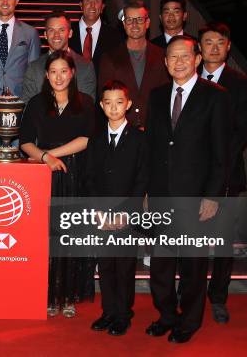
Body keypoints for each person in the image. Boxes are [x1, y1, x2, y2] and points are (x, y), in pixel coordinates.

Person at [145, 35, 228, 344]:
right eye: (172, 57)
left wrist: (212, 196)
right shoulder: (156, 96)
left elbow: (222, 154)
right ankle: (166, 315)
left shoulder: (216, 97)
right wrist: (146, 193)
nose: (178, 62)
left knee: (193, 266)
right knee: (161, 266)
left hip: (196, 198)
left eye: (185, 56)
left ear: (196, 60)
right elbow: (152, 147)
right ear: (165, 63)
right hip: (161, 195)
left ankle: (189, 321)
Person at [19, 50, 97, 318]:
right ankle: (47, 294)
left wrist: (54, 155)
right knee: (45, 238)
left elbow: (87, 139)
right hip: (42, 177)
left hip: (78, 174)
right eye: (53, 72)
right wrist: (44, 158)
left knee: (71, 237)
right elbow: (25, 141)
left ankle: (68, 295)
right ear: (46, 75)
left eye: (64, 71)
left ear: (73, 73)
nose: (59, 76)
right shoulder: (36, 103)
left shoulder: (85, 103)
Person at [198, 21, 247, 324]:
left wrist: (213, 167)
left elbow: (241, 134)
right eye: (208, 42)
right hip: (191, 176)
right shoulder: (189, 80)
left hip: (227, 174)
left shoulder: (241, 84)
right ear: (200, 47)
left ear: (228, 46)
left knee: (221, 241)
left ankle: (218, 296)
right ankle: (189, 293)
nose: (214, 47)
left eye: (220, 42)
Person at [85, 80, 149, 336]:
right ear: (102, 106)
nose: (114, 108)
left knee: (123, 267)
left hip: (126, 215)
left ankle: (123, 313)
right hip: (102, 214)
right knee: (106, 265)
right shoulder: (96, 140)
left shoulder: (140, 139)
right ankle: (108, 311)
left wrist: (126, 212)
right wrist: (99, 212)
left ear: (129, 104)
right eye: (108, 103)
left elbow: (142, 179)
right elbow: (89, 178)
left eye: (119, 102)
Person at [98, 1, 169, 129]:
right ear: (124, 24)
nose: (134, 24)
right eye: (130, 20)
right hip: (121, 131)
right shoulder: (109, 57)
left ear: (147, 23)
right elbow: (105, 97)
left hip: (154, 129)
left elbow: (166, 97)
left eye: (139, 20)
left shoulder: (162, 55)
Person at [22, 11, 97, 103]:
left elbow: (87, 106)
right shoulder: (34, 68)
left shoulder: (85, 67)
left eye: (61, 30)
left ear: (70, 33)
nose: (56, 35)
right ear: (45, 35)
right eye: (51, 30)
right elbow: (28, 107)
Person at [68, 0, 123, 74]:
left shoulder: (115, 36)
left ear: (102, 7)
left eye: (96, 1)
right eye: (88, 0)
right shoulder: (67, 33)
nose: (92, 5)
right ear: (81, 5)